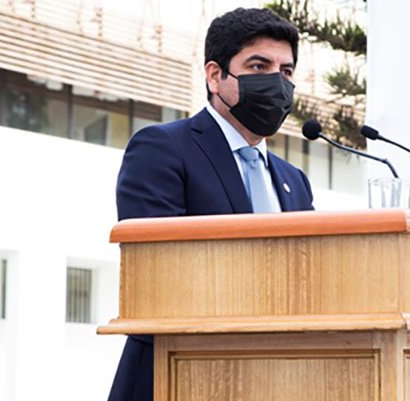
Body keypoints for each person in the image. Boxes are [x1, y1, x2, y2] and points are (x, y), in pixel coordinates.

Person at [107, 8, 313, 401]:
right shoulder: (163, 148)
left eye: (286, 71)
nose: (277, 82)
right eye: (259, 66)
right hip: (177, 375)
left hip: (273, 379)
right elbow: (156, 272)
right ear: (215, 76)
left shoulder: (294, 181)